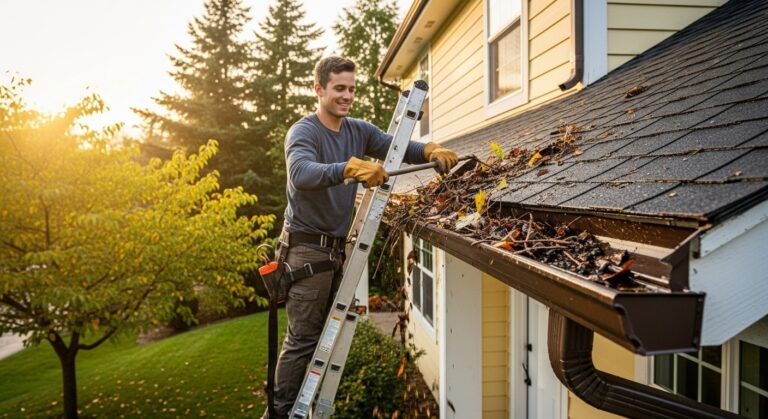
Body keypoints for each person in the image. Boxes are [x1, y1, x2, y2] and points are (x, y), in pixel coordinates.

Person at [268, 56, 458, 417]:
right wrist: (348, 168)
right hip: (306, 252)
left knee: (322, 338)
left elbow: (396, 147)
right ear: (319, 89)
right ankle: (278, 414)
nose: (347, 96)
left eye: (352, 89)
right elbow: (301, 173)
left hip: (334, 251)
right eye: (339, 88)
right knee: (302, 340)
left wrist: (430, 149)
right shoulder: (304, 132)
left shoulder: (358, 131)